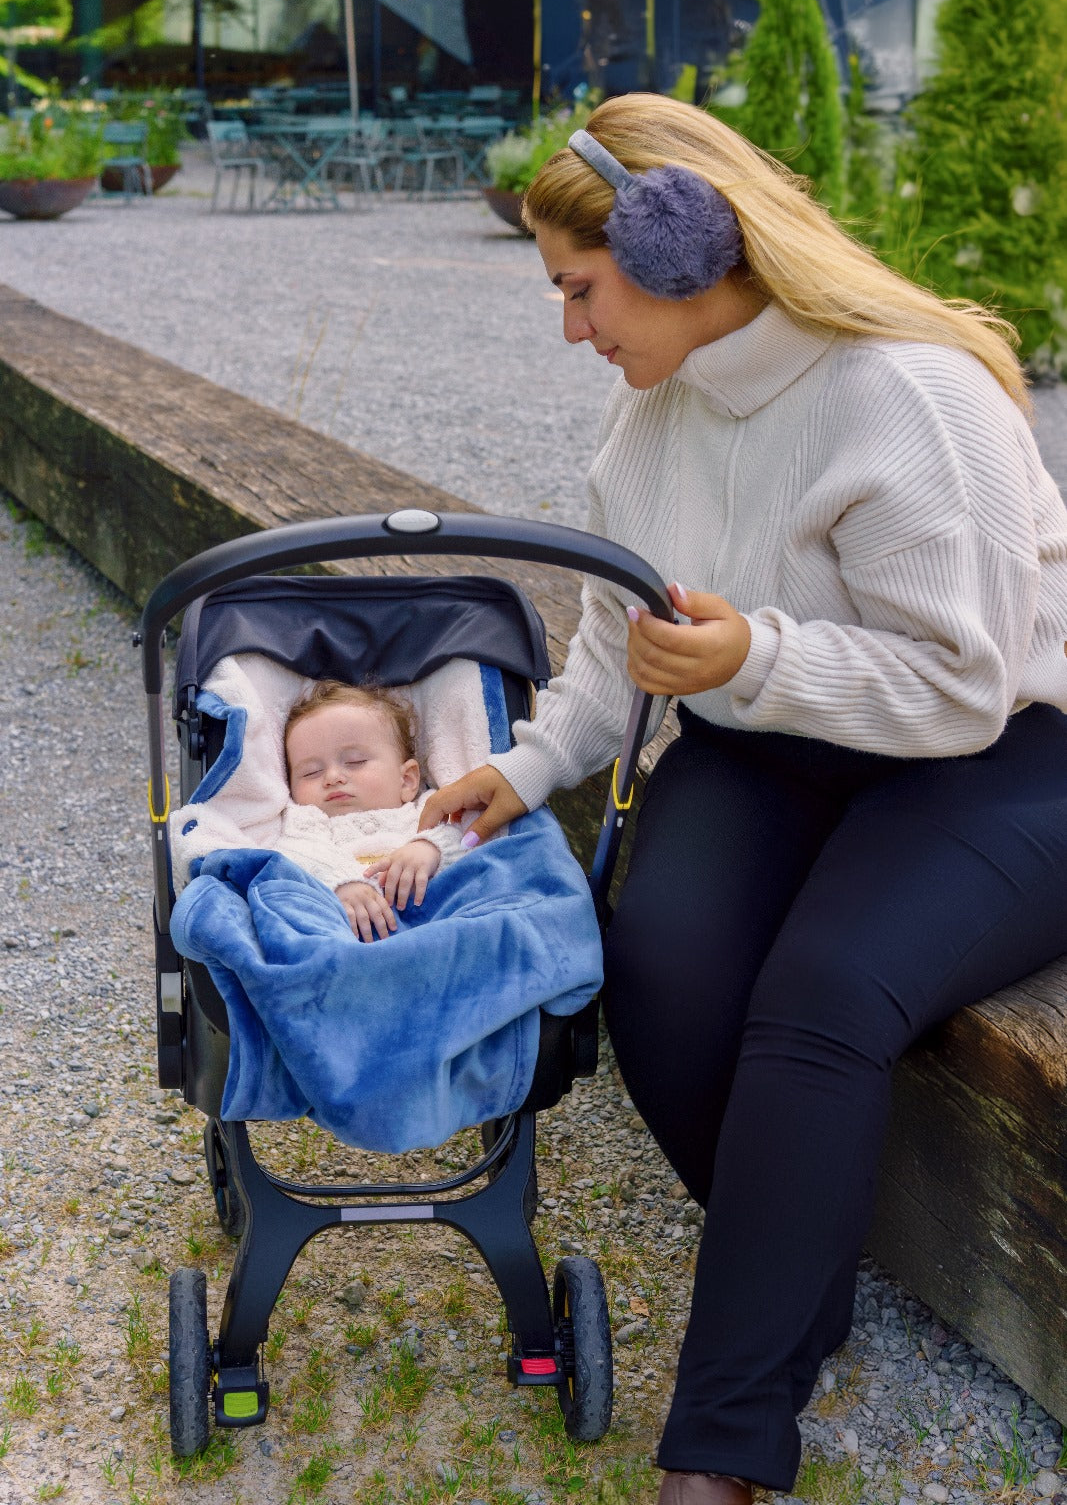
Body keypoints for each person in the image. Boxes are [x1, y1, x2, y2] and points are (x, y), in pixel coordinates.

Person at [419, 93, 1067, 1504]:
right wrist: (524, 766)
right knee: (654, 965)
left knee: (822, 993)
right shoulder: (655, 401)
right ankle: (792, 1283)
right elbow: (621, 631)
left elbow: (962, 687)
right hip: (775, 736)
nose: (571, 330)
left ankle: (720, 1443)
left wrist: (752, 657)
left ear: (680, 248)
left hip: (1000, 752)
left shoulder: (908, 395)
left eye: (579, 289)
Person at [281, 681, 467, 942]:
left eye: (355, 761)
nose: (333, 777)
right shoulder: (306, 823)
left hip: (441, 926)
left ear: (406, 781)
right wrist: (341, 881)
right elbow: (292, 858)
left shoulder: (428, 809)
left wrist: (431, 848)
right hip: (351, 938)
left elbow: (470, 833)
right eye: (311, 772)